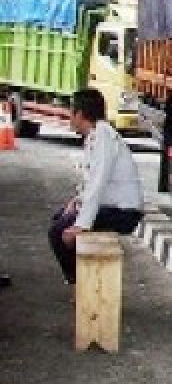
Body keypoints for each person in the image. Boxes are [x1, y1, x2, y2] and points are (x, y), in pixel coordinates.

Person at [47, 88, 144, 285]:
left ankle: (80, 285)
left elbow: (97, 185)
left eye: (71, 113)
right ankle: (83, 281)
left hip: (124, 213)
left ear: (80, 115)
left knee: (58, 233)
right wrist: (76, 203)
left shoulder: (104, 138)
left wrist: (80, 226)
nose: (69, 118)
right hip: (111, 207)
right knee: (60, 218)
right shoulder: (95, 136)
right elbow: (89, 182)